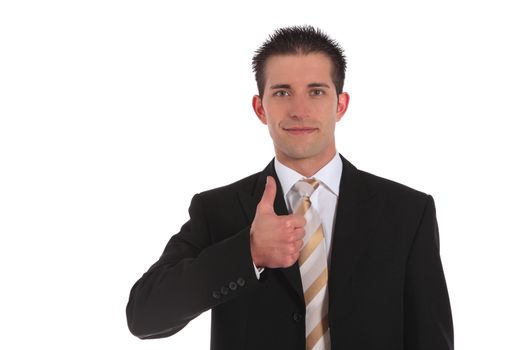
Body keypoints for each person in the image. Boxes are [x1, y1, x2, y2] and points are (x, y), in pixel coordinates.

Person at [126, 25, 453, 350]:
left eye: (316, 91)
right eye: (282, 92)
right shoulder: (217, 211)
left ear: (340, 105)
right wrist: (248, 252)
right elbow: (144, 317)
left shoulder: (407, 212)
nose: (299, 110)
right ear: (259, 108)